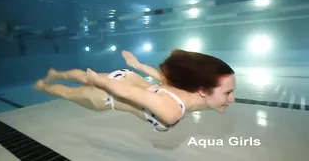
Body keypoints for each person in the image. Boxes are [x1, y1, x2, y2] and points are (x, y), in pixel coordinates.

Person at [34, 49, 236, 132]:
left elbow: (160, 77)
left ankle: (56, 73)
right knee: (67, 93)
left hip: (124, 78)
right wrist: (98, 82)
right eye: (227, 92)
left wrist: (137, 65)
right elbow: (128, 94)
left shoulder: (185, 89)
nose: (232, 99)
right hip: (107, 95)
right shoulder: (172, 111)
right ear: (203, 90)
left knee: (79, 75)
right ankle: (45, 86)